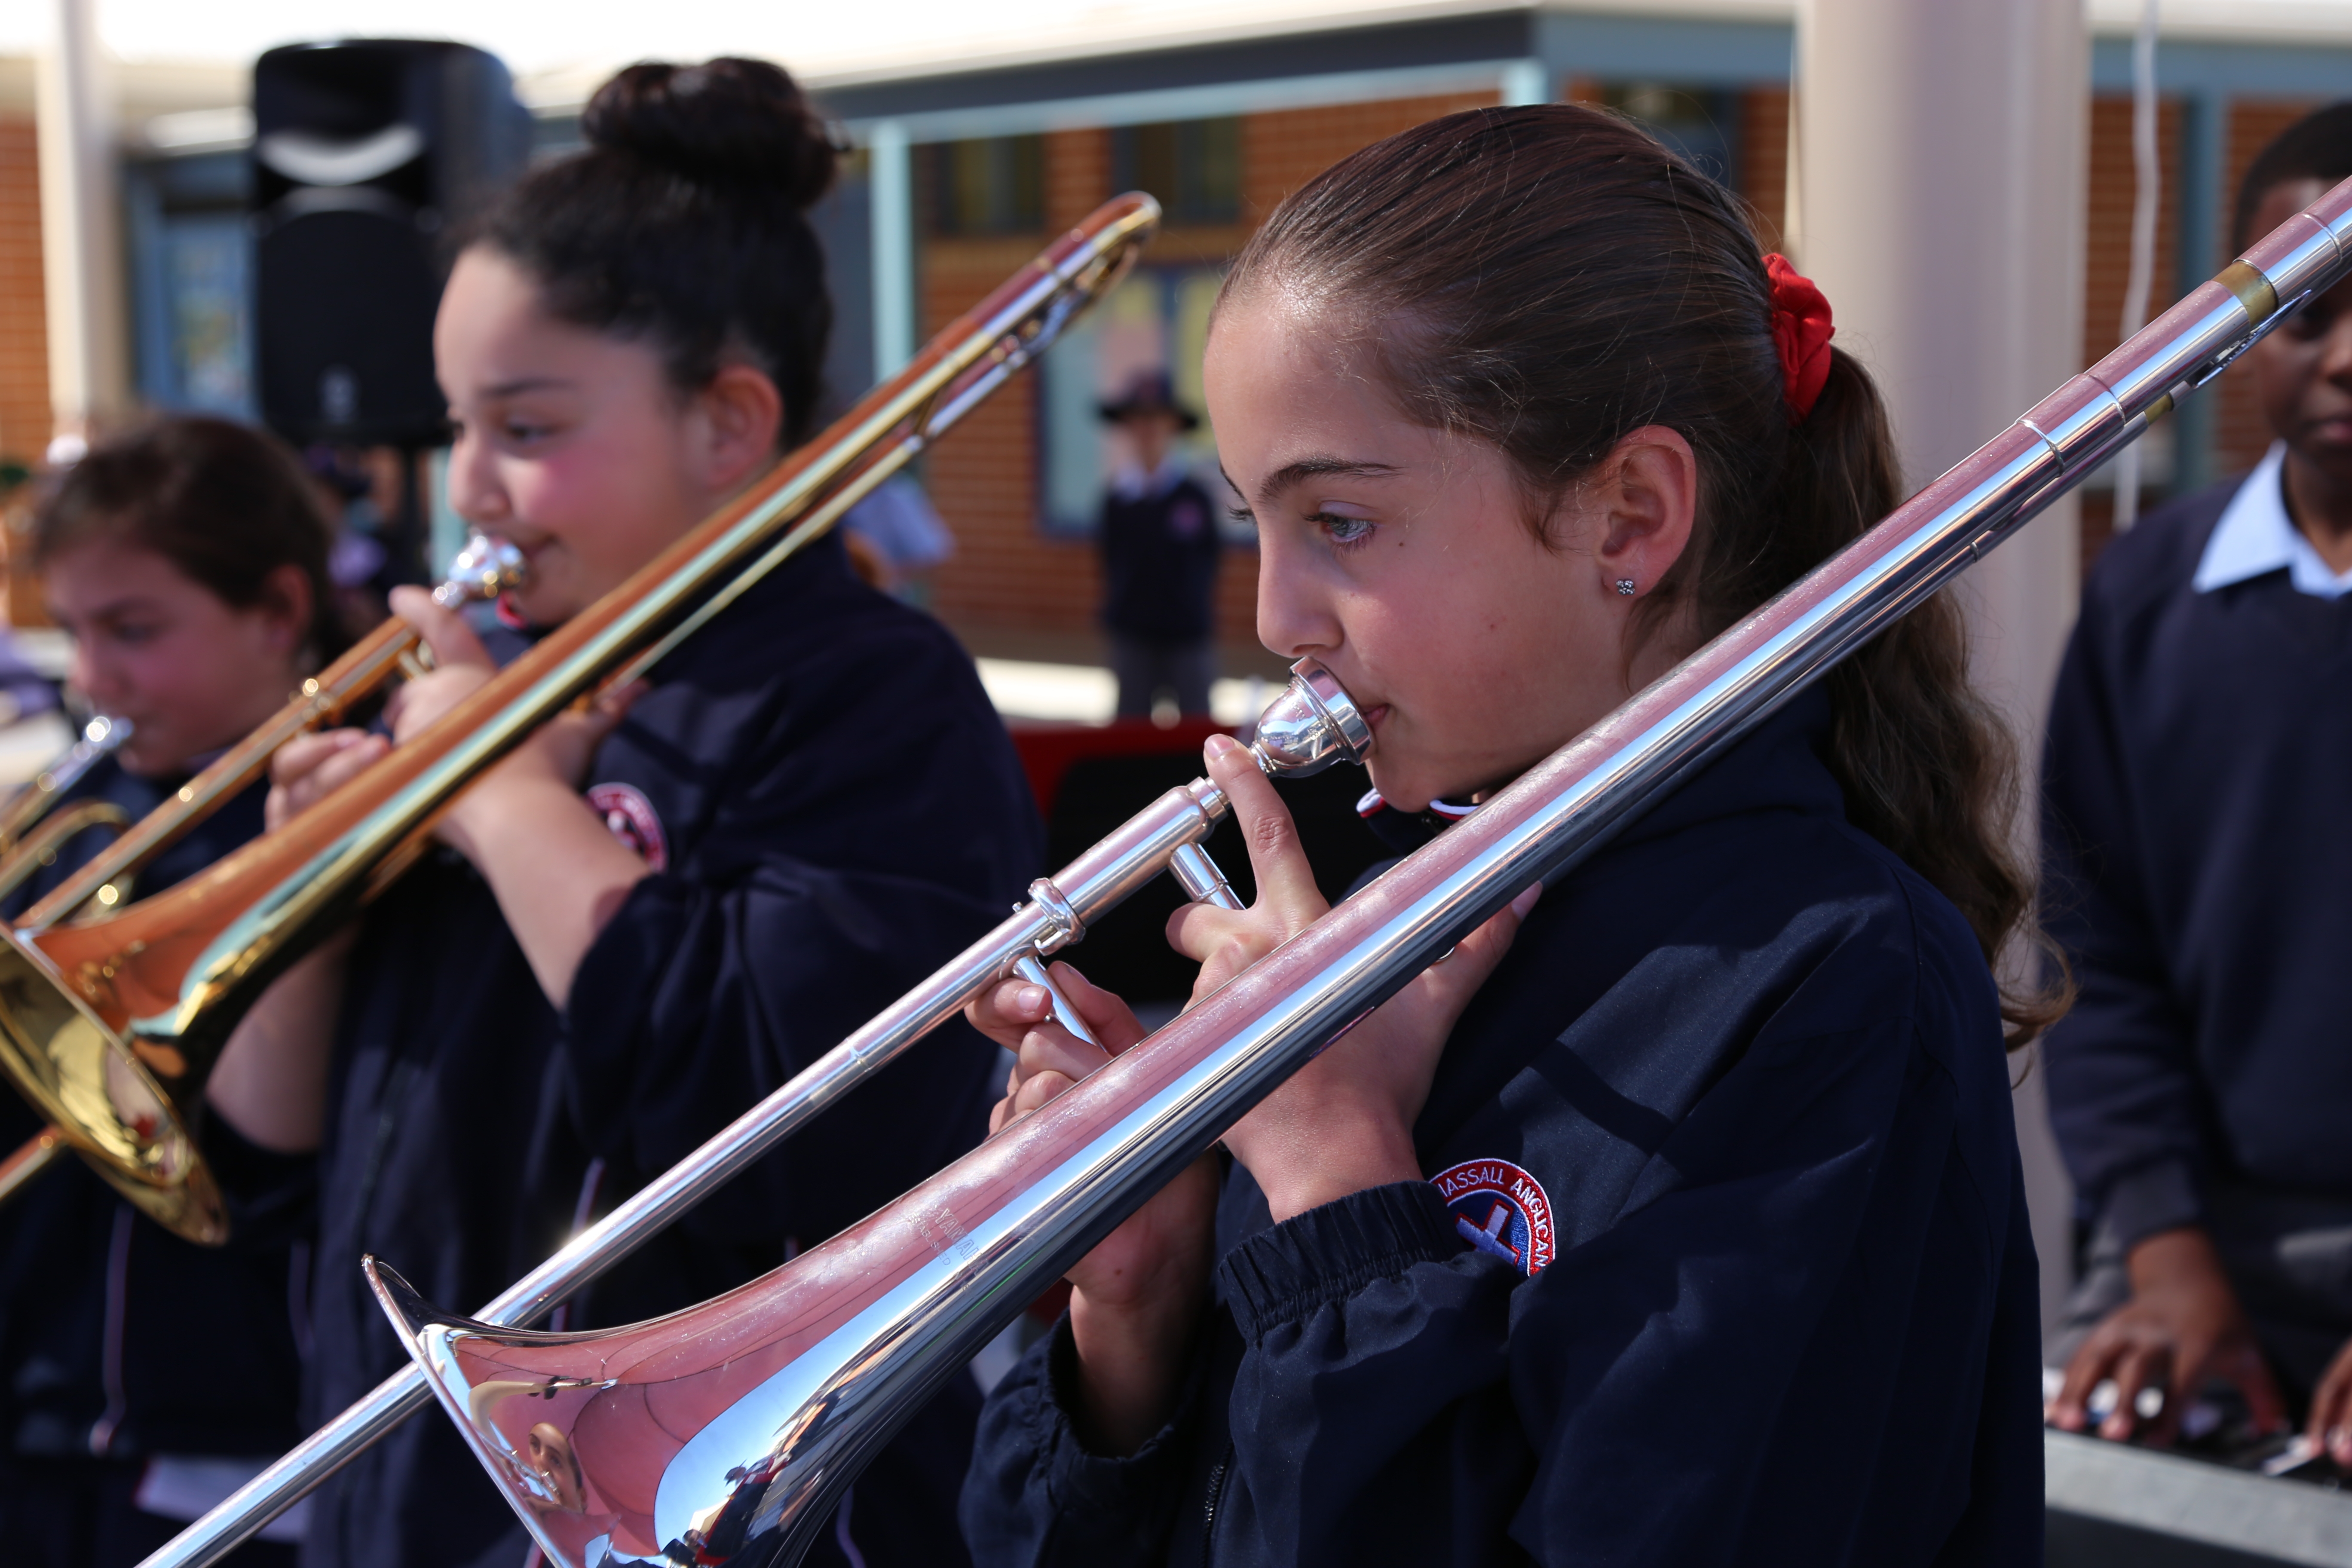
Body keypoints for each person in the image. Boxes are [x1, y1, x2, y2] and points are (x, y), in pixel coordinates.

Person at [959, 104, 2055, 1565]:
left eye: (1338, 520)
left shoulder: (1834, 980)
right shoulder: (1379, 878)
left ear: (1627, 516)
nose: (1278, 616)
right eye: (1256, 528)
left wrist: (1338, 1176)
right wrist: (1139, 1308)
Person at [202, 59, 1044, 1568]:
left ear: (728, 422)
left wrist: (498, 795)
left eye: (525, 425)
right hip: (400, 1487)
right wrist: (311, 904)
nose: (473, 486)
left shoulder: (873, 692)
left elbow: (772, 1116)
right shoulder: (491, 688)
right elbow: (268, 1159)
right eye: (457, 424)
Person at [2043, 102, 2352, 1466]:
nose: (2346, 354)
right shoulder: (2148, 597)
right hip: (2196, 1225)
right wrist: (2164, 1247)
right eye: (2306, 305)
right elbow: (2096, 950)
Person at [0, 415, 342, 1566]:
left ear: (279, 611)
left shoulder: (334, 817)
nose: (93, 678)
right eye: (76, 632)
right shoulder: (77, 822)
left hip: (229, 1446)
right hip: (39, 1422)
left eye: (134, 631)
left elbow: (266, 1151)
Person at [1096, 368, 1222, 718]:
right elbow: (1111, 562)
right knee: (1130, 724)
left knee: (1197, 726)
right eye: (1138, 419)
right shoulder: (1117, 498)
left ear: (1173, 426)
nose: (1147, 429)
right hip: (1133, 633)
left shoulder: (1193, 497)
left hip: (1187, 633)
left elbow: (1208, 562)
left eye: (1156, 419)